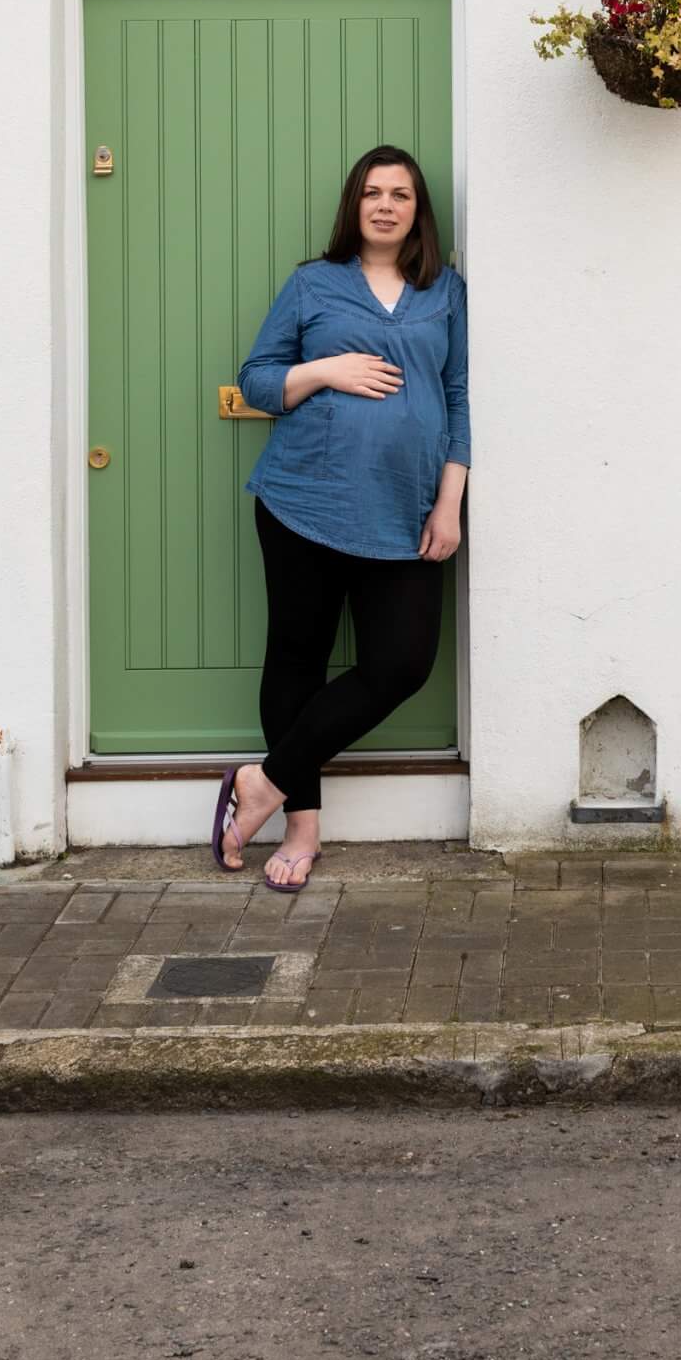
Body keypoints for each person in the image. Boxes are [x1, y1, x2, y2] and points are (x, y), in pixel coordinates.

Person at [212, 144, 469, 892]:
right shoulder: (313, 284)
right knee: (297, 655)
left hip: (406, 511)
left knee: (401, 665)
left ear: (418, 212)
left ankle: (263, 782)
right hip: (303, 503)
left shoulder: (445, 292)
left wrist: (449, 501)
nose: (385, 205)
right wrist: (326, 370)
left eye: (401, 195)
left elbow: (458, 398)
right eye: (372, 193)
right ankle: (301, 825)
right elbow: (257, 380)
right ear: (353, 206)